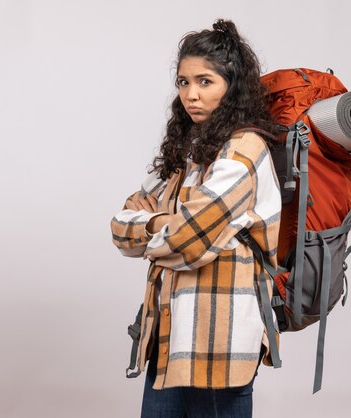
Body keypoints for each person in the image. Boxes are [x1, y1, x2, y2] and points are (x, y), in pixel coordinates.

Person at [110, 19, 281, 418]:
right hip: (169, 339)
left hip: (220, 344)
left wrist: (157, 223)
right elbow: (120, 229)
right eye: (184, 82)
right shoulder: (187, 151)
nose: (191, 94)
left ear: (231, 85)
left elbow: (188, 241)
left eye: (205, 82)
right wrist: (159, 224)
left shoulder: (244, 150)